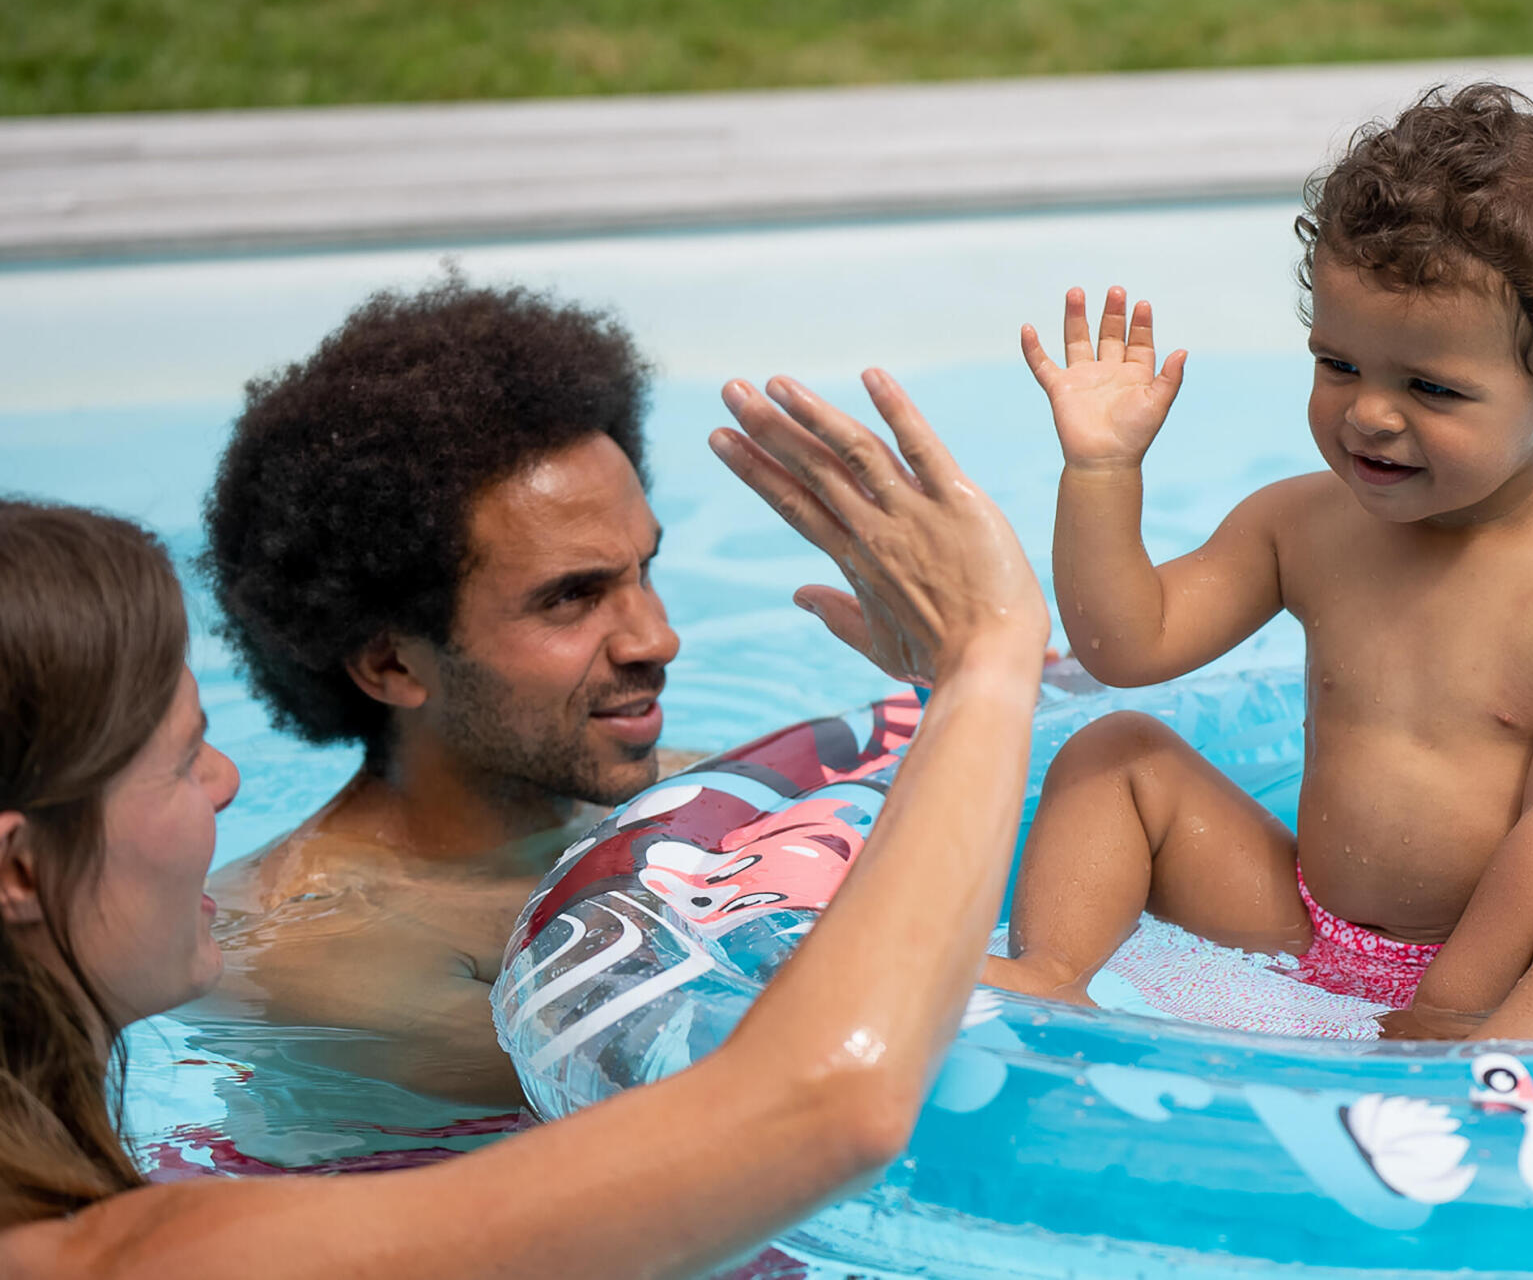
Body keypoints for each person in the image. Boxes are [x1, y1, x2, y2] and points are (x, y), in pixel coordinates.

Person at [0, 366, 1052, 1276]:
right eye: (184, 757)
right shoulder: (151, 1253)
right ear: (21, 874)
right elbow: (824, 1107)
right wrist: (986, 659)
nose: (227, 782)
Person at [984, 84, 1533, 1041]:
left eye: (1432, 387)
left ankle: (1490, 1054)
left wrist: (1447, 1008)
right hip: (1306, 923)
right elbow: (1128, 645)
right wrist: (1104, 469)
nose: (1370, 413)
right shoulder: (1305, 524)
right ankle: (1051, 975)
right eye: (1340, 365)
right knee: (1116, 753)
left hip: (1514, 960)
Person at [199, 277, 701, 1105]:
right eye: (571, 597)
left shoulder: (676, 790)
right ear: (393, 665)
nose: (656, 638)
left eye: (642, 570)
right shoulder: (329, 956)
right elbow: (765, 1107)